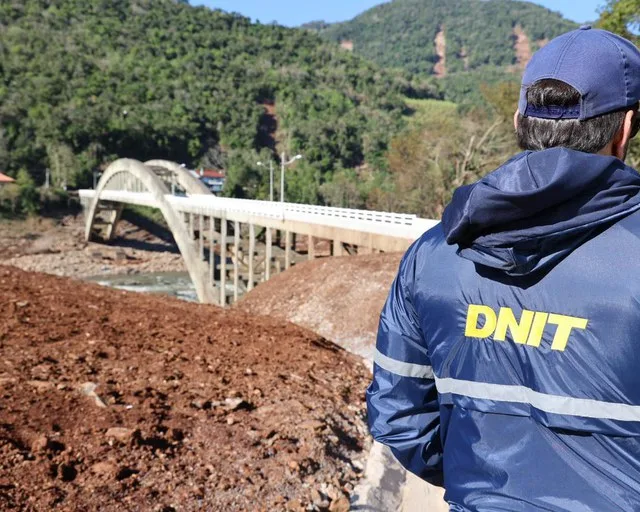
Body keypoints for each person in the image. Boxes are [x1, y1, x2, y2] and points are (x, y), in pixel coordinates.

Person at [367, 26, 640, 511]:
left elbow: (398, 415)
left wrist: (484, 485)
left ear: (519, 122)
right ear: (624, 130)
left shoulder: (434, 252)